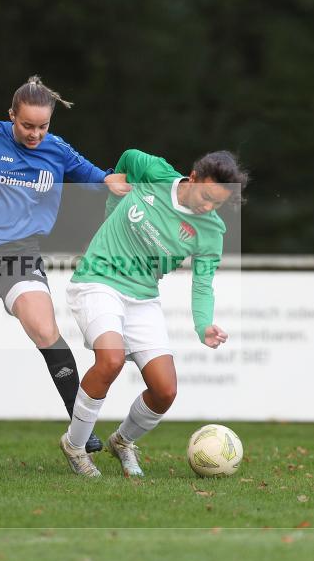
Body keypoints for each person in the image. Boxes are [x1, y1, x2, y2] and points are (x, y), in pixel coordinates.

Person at [0, 75, 131, 471]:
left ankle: (79, 427)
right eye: (27, 125)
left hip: (21, 256)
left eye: (42, 126)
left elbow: (92, 174)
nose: (35, 134)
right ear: (11, 115)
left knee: (45, 330)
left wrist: (116, 181)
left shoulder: (56, 149)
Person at [59, 148, 248, 477]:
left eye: (216, 203)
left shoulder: (211, 231)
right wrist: (113, 205)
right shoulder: (155, 172)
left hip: (143, 297)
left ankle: (123, 442)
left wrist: (203, 325)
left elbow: (203, 285)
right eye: (205, 196)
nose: (207, 206)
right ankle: (75, 446)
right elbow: (128, 158)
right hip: (98, 280)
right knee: (111, 359)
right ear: (192, 178)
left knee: (165, 390)